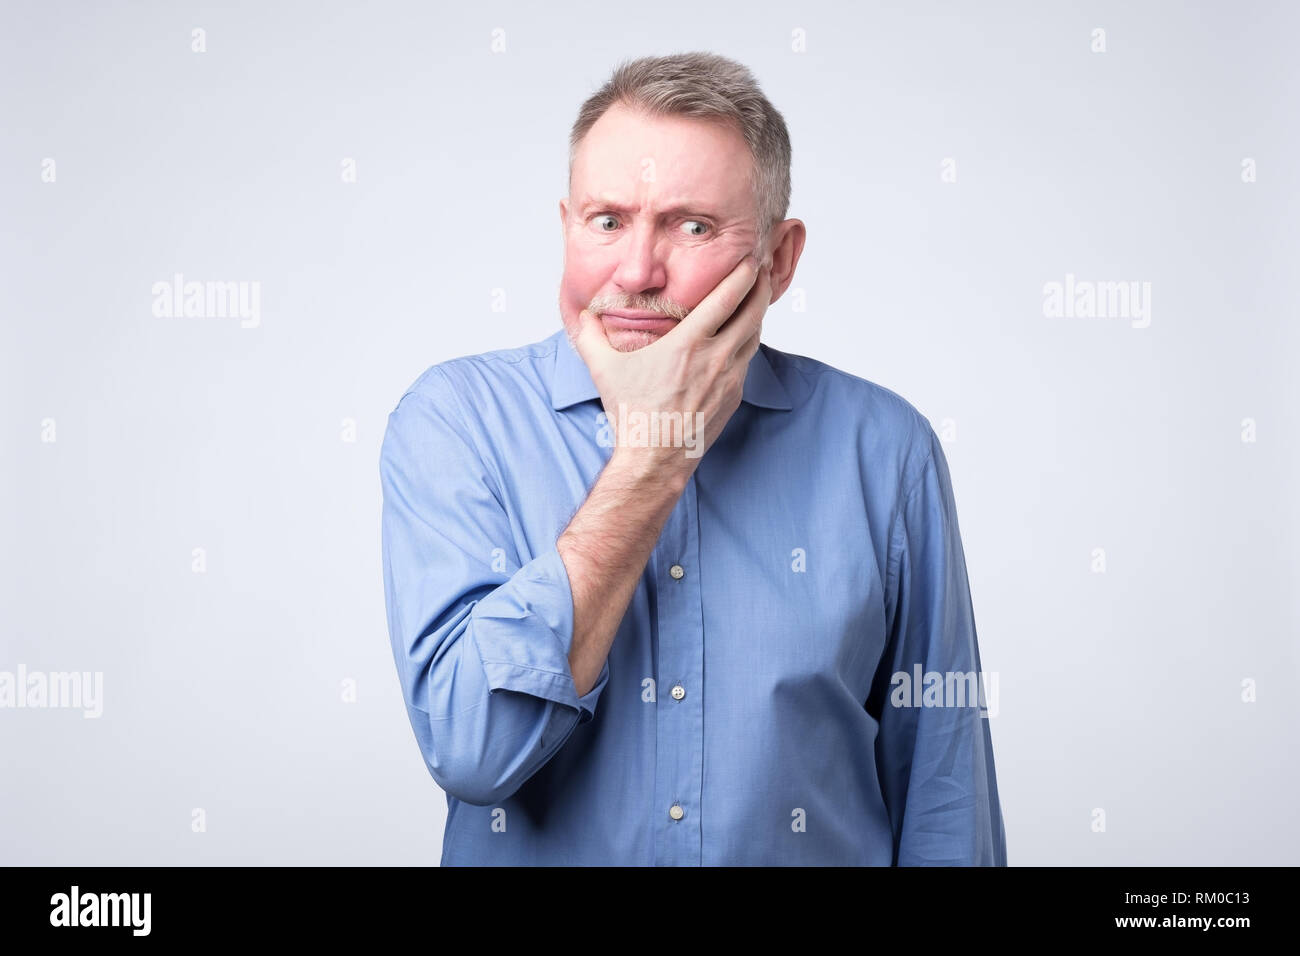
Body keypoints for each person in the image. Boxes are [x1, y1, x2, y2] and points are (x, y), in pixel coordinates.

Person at [379, 51, 1007, 865]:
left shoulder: (885, 452)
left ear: (779, 260)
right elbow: (475, 751)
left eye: (693, 226)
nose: (637, 272)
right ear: (566, 227)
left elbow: (944, 800)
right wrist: (652, 457)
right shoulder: (456, 423)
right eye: (607, 221)